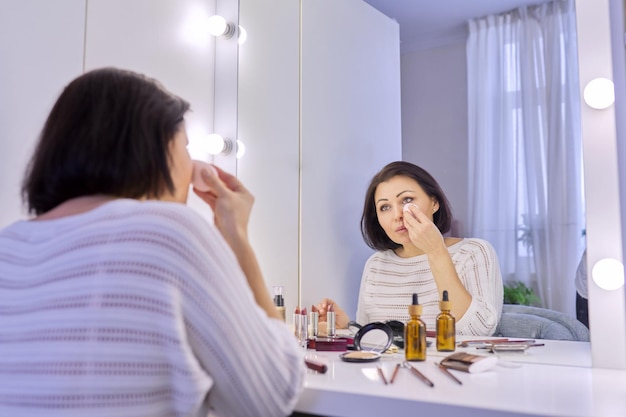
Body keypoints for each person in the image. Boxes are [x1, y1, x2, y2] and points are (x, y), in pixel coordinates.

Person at [0, 68, 305, 417]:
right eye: (186, 147)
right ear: (153, 148)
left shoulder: (7, 246)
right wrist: (236, 236)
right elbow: (271, 395)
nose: (192, 166)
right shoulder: (169, 232)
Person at [316, 161, 504, 336]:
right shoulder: (376, 265)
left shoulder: (474, 252)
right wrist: (348, 328)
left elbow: (480, 331)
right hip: (392, 371)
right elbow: (375, 343)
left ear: (434, 202)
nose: (397, 215)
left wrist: (436, 251)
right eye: (385, 207)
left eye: (406, 200)